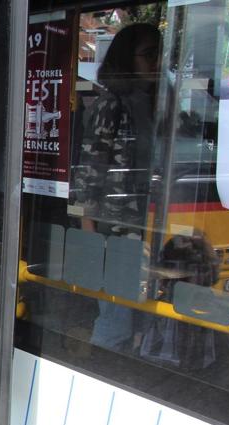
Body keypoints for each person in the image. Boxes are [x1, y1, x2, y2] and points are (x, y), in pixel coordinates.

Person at [71, 23, 162, 352]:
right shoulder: (112, 104)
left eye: (159, 53)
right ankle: (98, 369)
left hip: (144, 227)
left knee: (140, 318)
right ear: (127, 58)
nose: (157, 62)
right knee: (116, 318)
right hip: (115, 231)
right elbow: (89, 172)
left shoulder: (151, 103)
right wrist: (90, 234)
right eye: (149, 54)